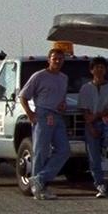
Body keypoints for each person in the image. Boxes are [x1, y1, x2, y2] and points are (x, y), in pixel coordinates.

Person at [19, 47, 71, 201]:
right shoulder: (39, 76)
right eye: (54, 58)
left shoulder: (63, 78)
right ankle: (38, 188)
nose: (57, 61)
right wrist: (30, 114)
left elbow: (61, 97)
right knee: (41, 151)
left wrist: (63, 104)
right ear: (49, 60)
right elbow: (23, 96)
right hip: (43, 115)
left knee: (64, 150)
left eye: (60, 59)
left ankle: (40, 178)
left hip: (57, 116)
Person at [79, 56, 108, 198]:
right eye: (96, 67)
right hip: (90, 124)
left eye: (102, 67)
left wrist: (97, 115)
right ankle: (100, 184)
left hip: (106, 121)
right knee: (94, 157)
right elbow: (84, 110)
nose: (99, 69)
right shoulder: (85, 88)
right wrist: (90, 125)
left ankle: (103, 145)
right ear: (91, 70)